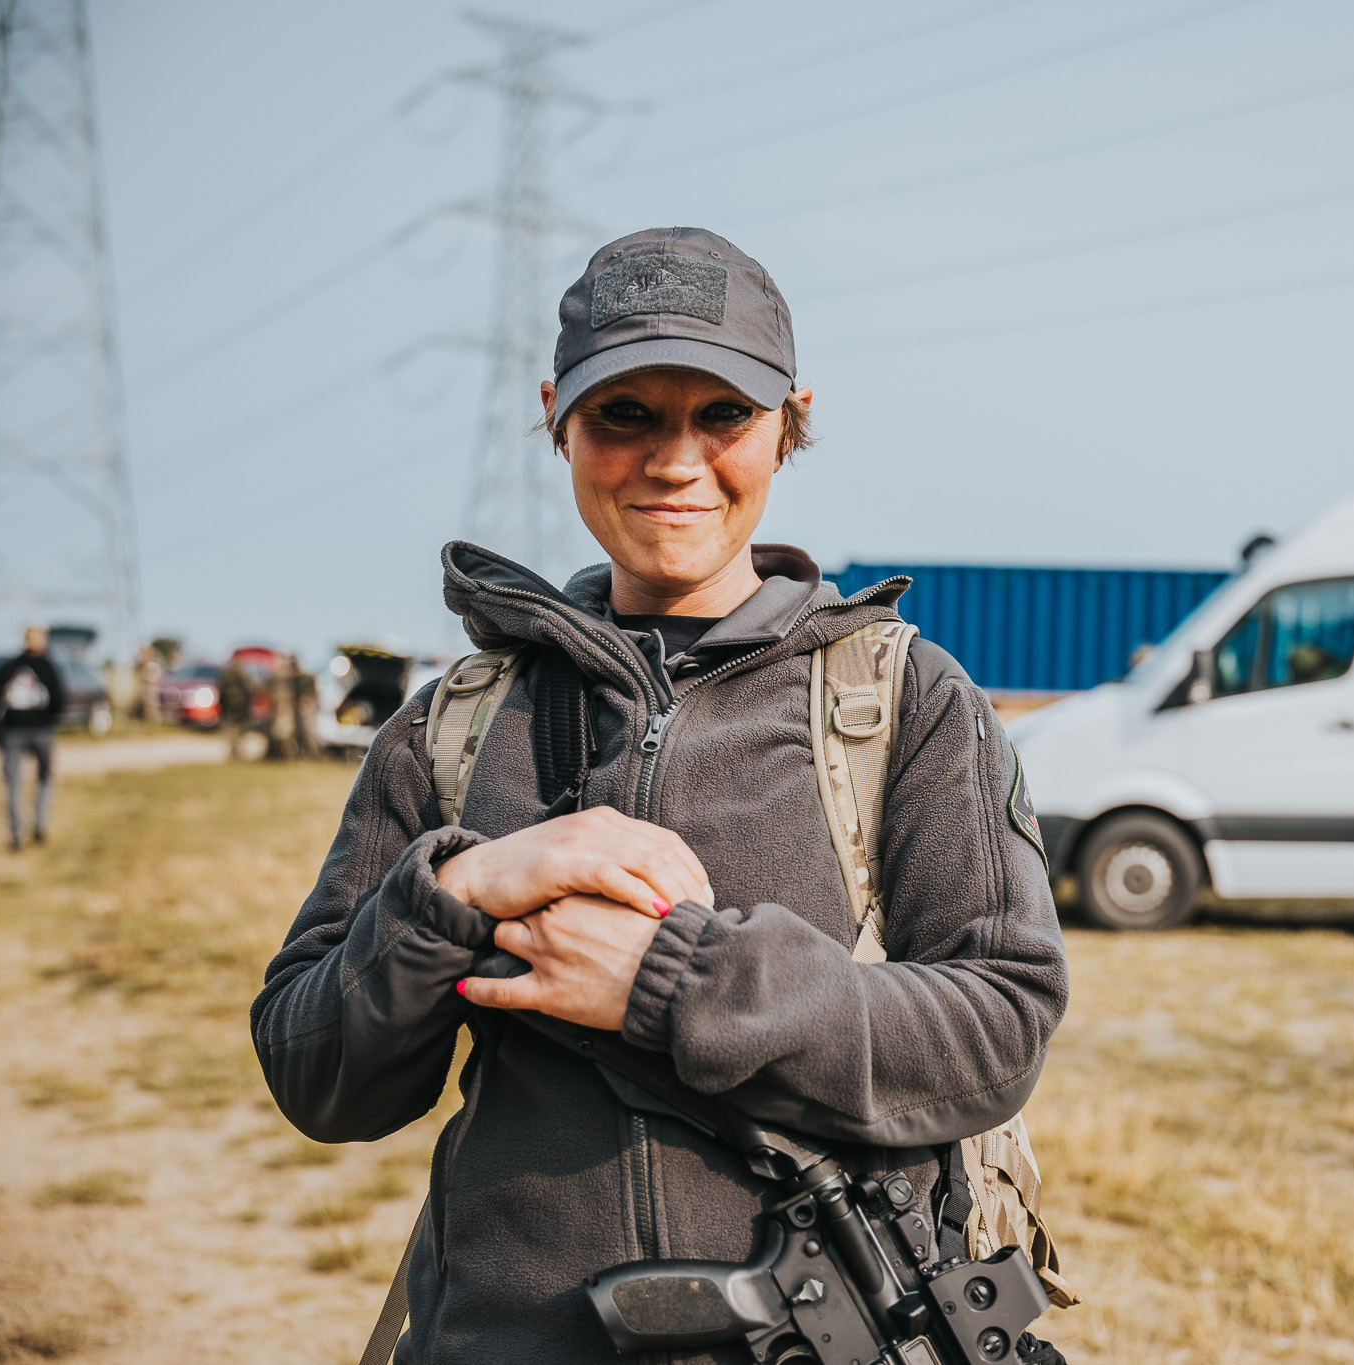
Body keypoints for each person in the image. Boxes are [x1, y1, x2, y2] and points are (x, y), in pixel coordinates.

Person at [251, 227, 1071, 1364]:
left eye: (722, 415)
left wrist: (675, 986)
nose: (674, 461)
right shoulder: (457, 722)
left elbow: (996, 1033)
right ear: (556, 417)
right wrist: (458, 887)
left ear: (788, 421)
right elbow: (316, 1078)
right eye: (624, 413)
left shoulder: (900, 702)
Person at [0, 623, 65, 852]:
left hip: (12, 730)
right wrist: (47, 719)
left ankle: (17, 833)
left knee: (13, 783)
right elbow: (59, 700)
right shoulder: (48, 667)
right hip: (40, 730)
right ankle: (38, 824)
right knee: (44, 778)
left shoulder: (9, 666)